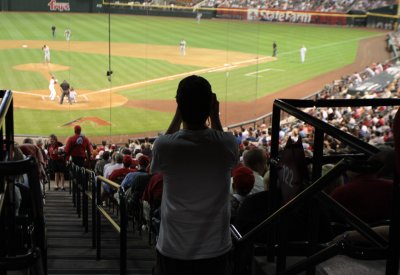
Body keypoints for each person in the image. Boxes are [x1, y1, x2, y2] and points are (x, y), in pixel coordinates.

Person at [150, 75, 239, 275]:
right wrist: (214, 116)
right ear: (210, 105)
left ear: (179, 106)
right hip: (215, 251)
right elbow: (227, 149)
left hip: (172, 249)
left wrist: (178, 114)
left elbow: (154, 167)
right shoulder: (227, 144)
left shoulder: (164, 146)